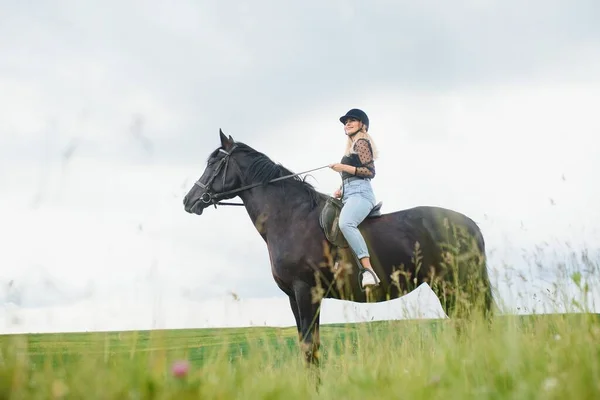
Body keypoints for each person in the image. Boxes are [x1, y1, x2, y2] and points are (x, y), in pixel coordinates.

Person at [328, 108, 381, 288]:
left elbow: (369, 171)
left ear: (362, 125)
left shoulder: (361, 142)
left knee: (346, 223)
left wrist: (342, 167)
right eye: (346, 122)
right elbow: (352, 178)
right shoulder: (351, 147)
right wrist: (341, 189)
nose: (347, 124)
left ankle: (368, 271)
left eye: (352, 120)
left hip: (361, 194)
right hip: (349, 193)